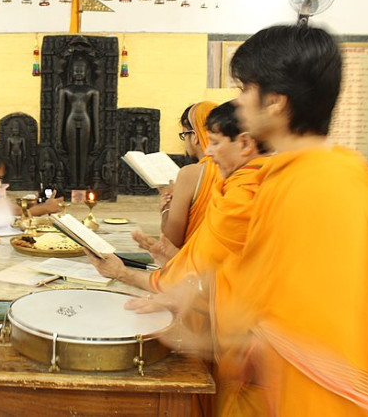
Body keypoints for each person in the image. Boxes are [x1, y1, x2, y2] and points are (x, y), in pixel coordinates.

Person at [147, 25, 368, 415]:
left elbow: (318, 330)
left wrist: (210, 339)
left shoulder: (326, 184)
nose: (239, 103)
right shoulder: (290, 175)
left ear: (275, 101)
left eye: (244, 90)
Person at [90, 100, 270, 297]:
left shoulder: (243, 192)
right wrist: (171, 255)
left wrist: (122, 273)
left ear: (245, 143)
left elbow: (211, 278)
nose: (208, 150)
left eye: (216, 142)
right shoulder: (243, 180)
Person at [137, 101, 220, 251]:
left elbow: (171, 241)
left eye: (184, 135)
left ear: (194, 136)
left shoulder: (190, 174)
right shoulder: (237, 168)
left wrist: (168, 205)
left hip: (196, 265)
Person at [56, 54, 100, 187]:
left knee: (83, 153)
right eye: (76, 70)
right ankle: (73, 182)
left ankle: (82, 182)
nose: (79, 73)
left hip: (86, 120)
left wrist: (97, 139)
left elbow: (96, 116)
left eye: (81, 70)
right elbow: (61, 115)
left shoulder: (92, 91)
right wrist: (58, 138)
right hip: (71, 120)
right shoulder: (65, 90)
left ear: (86, 72)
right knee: (72, 153)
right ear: (71, 72)